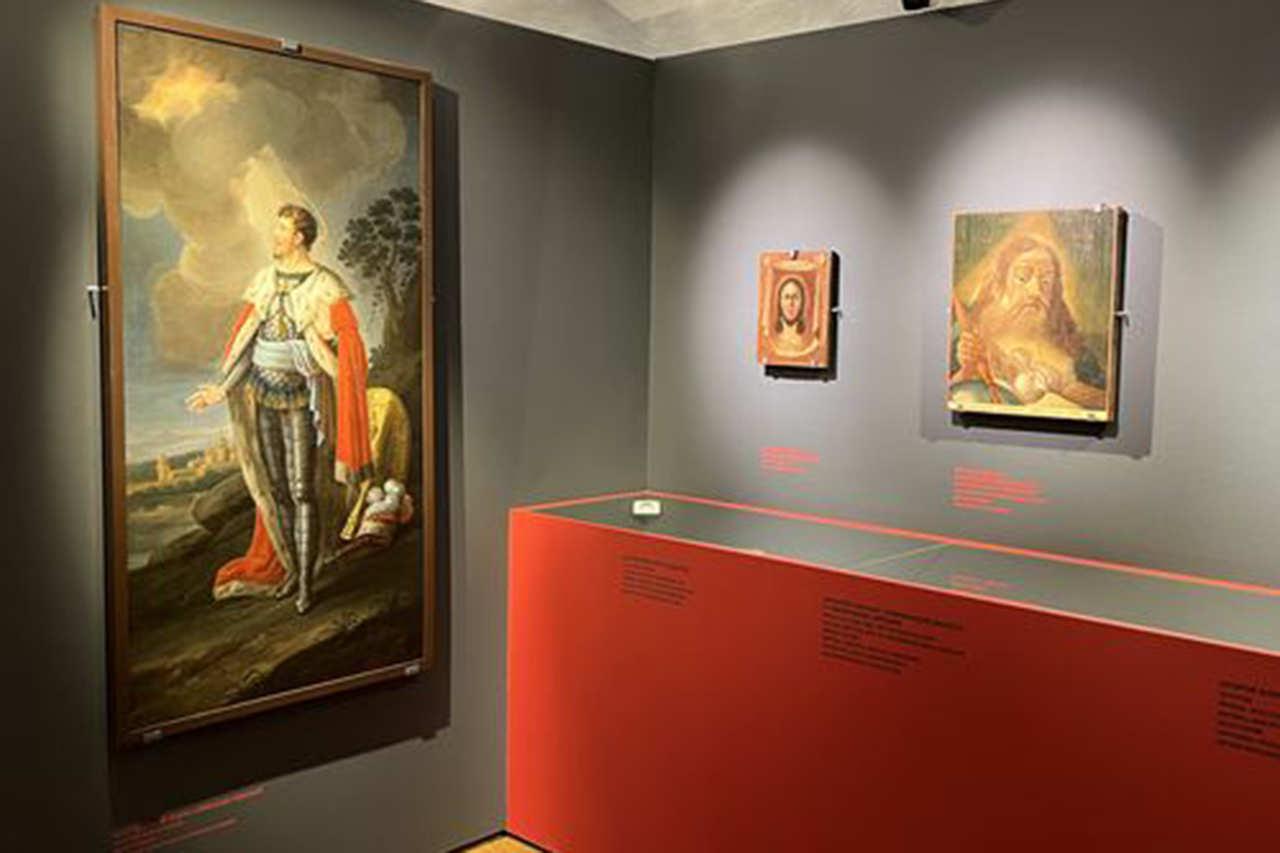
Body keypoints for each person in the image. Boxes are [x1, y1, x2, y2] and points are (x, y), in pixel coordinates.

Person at [187, 204, 373, 614]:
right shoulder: (265, 280)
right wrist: (221, 389)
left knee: (302, 489)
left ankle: (306, 583)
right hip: (261, 393)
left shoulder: (325, 286)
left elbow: (347, 349)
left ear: (299, 238)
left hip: (300, 398)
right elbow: (247, 344)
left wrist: (319, 354)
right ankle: (291, 569)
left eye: (281, 231)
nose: (274, 238)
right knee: (278, 490)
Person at [950, 235, 1107, 411]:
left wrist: (1068, 390)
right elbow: (950, 397)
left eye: (1046, 281)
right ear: (998, 286)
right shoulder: (967, 338)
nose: (1035, 291)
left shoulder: (1076, 353)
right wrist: (967, 371)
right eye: (1022, 278)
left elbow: (1108, 401)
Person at [771, 276, 817, 359]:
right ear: (779, 302)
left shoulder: (810, 343)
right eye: (786, 297)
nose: (790, 303)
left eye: (795, 297)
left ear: (802, 303)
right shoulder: (772, 341)